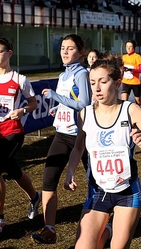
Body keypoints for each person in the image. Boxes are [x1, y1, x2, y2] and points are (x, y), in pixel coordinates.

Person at [64, 56, 141, 249]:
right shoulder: (85, 114)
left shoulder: (131, 110)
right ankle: (107, 231)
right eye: (92, 82)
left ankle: (109, 232)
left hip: (127, 192)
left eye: (103, 82)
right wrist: (70, 171)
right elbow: (79, 148)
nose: (96, 88)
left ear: (117, 83)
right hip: (98, 192)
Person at [31, 34, 91, 244]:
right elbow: (70, 100)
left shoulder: (82, 73)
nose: (65, 51)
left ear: (81, 53)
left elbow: (84, 103)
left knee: (95, 183)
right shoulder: (64, 74)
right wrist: (57, 108)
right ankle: (49, 229)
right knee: (48, 181)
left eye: (70, 48)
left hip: (81, 137)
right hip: (61, 134)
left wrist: (55, 97)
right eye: (63, 48)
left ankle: (106, 223)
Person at [0, 37, 41, 233]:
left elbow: (34, 103)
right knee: (13, 170)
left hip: (12, 132)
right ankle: (34, 197)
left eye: (0, 51)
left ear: (9, 53)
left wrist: (23, 111)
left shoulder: (19, 79)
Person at [121, 40, 141, 106]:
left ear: (134, 48)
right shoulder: (124, 57)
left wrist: (132, 70)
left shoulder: (137, 56)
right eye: (127, 47)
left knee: (138, 101)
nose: (128, 48)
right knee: (124, 100)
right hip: (125, 82)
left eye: (130, 47)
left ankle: (140, 102)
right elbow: (122, 69)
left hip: (135, 82)